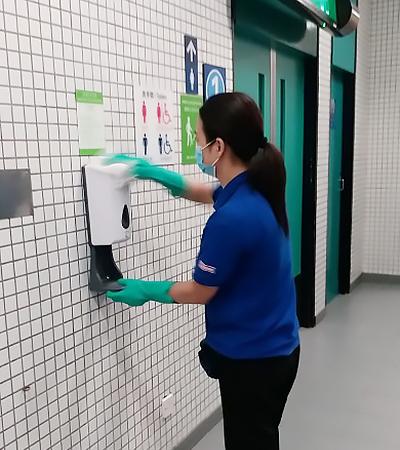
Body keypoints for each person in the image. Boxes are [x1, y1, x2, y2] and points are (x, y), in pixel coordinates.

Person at [104, 92, 300, 450]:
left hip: (254, 361)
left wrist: (146, 290)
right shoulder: (255, 189)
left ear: (218, 147)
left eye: (198, 139)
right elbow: (208, 192)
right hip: (278, 349)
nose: (197, 146)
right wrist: (156, 174)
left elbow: (201, 290)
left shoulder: (231, 220)